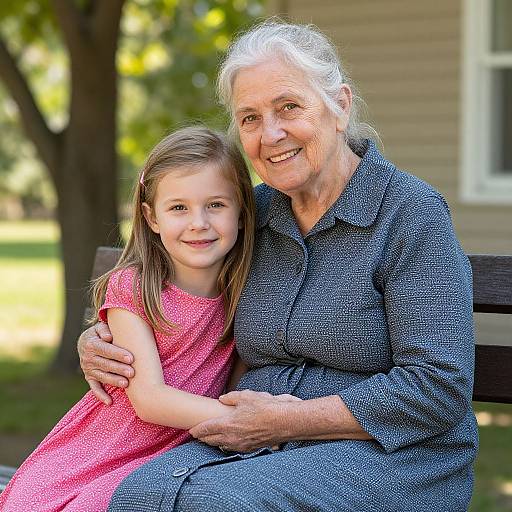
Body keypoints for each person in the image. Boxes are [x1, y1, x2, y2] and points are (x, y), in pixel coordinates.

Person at [78, 20, 477, 512]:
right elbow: (165, 291)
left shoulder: (409, 215)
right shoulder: (252, 214)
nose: (271, 133)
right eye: (249, 118)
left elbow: (437, 386)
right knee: (131, 495)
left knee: (203, 501)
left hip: (388, 457)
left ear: (340, 106)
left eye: (289, 106)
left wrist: (291, 421)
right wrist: (102, 340)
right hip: (254, 444)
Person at [0, 126, 259, 512]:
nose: (198, 222)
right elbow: (150, 400)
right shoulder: (134, 287)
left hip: (173, 454)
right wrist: (250, 420)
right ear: (150, 217)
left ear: (241, 213)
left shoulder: (244, 293)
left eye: (216, 205)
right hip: (104, 447)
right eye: (178, 208)